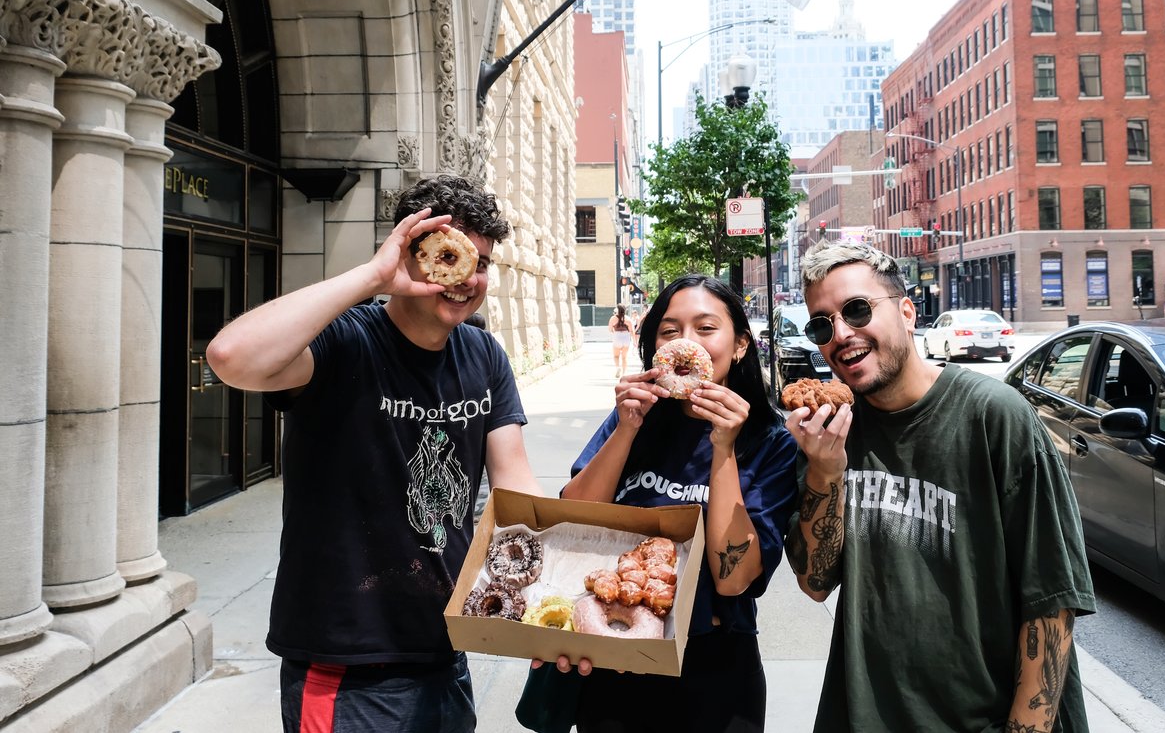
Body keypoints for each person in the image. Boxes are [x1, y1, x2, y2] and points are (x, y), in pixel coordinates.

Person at [205, 175, 581, 733]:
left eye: (481, 264)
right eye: (454, 258)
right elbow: (231, 357)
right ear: (410, 254)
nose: (468, 278)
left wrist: (553, 603)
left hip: (445, 651)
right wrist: (372, 278)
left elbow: (515, 487)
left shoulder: (483, 354)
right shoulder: (345, 342)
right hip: (345, 663)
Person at [783, 241, 1095, 733]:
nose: (840, 334)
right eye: (822, 325)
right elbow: (814, 583)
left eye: (858, 310)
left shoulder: (995, 416)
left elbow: (1052, 601)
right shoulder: (830, 431)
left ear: (907, 313)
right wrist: (825, 470)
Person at [563, 275, 799, 733]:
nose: (685, 342)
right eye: (669, 331)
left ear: (740, 345)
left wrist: (724, 448)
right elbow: (574, 522)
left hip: (716, 666)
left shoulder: (770, 441)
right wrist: (626, 429)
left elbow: (734, 580)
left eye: (706, 328)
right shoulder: (635, 417)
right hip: (616, 651)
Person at [607, 303, 635, 378]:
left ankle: (618, 368)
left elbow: (610, 329)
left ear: (617, 310)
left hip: (617, 336)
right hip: (626, 337)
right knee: (624, 357)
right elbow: (632, 331)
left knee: (616, 356)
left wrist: (614, 331)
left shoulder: (613, 318)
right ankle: (624, 373)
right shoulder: (628, 319)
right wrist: (635, 342)